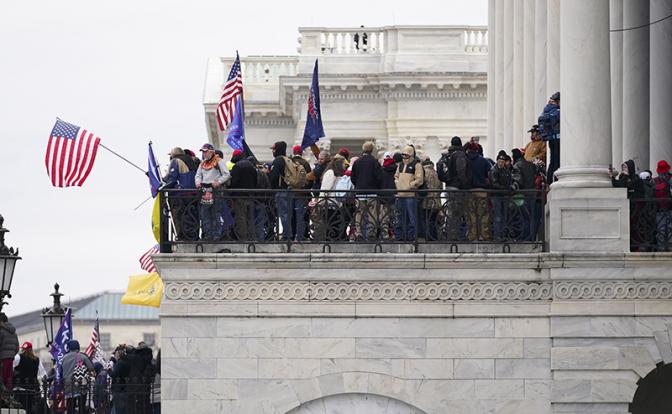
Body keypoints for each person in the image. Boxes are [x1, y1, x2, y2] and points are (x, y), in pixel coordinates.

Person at [195, 143, 231, 240]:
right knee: (204, 214)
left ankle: (216, 235)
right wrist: (198, 182)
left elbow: (227, 174)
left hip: (216, 192)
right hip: (204, 192)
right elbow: (198, 175)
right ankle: (207, 235)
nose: (204, 154)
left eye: (205, 151)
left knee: (215, 213)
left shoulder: (219, 161)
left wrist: (218, 182)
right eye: (203, 152)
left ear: (211, 151)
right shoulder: (202, 163)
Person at [163, 147, 199, 241]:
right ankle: (193, 236)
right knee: (192, 215)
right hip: (193, 193)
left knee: (180, 215)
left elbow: (172, 178)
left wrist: (163, 186)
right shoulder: (191, 160)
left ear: (173, 154)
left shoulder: (176, 161)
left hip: (180, 193)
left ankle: (183, 237)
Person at [351, 141, 383, 240]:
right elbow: (379, 177)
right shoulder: (374, 162)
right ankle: (371, 233)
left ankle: (359, 232)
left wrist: (358, 185)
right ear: (372, 150)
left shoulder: (357, 162)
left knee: (359, 212)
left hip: (360, 192)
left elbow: (353, 177)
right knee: (372, 213)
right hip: (372, 192)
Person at [312, 157, 347, 240]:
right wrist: (321, 201)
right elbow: (325, 188)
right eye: (343, 164)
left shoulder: (338, 174)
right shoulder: (330, 173)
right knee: (330, 224)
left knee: (334, 224)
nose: (344, 165)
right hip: (329, 203)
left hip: (335, 203)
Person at [394, 145, 424, 240]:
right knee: (400, 217)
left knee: (412, 218)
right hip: (400, 194)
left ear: (410, 155)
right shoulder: (400, 165)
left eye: (406, 155)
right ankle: (400, 236)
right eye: (403, 155)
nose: (404, 157)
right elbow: (396, 176)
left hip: (410, 195)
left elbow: (420, 180)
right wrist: (398, 184)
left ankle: (411, 237)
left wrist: (410, 185)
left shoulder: (417, 165)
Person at [229, 149, 259, 241]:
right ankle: (251, 239)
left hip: (239, 197)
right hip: (250, 196)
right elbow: (255, 181)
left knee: (240, 219)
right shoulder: (251, 165)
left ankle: (243, 240)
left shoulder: (237, 166)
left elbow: (234, 182)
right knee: (250, 219)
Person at [466, 142, 492, 241]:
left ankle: (473, 235)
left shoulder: (466, 160)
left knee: (471, 214)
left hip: (469, 190)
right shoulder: (483, 161)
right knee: (483, 214)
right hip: (481, 190)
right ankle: (483, 235)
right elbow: (489, 174)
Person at [60, 340, 94, 413]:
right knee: (82, 406)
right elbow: (91, 368)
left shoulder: (64, 358)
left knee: (70, 406)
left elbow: (60, 371)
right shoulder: (82, 356)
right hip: (80, 383)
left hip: (68, 384)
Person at [511, 148, 537, 241]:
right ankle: (532, 235)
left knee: (525, 217)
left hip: (523, 194)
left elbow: (518, 181)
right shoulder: (530, 164)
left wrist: (513, 188)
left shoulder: (517, 166)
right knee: (531, 216)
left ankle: (526, 236)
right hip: (533, 192)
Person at [13, 341, 42, 413]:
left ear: (23, 349)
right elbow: (42, 373)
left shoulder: (18, 357)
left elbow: (11, 367)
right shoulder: (37, 360)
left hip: (20, 388)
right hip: (32, 389)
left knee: (19, 409)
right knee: (30, 409)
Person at [490, 152, 513, 240]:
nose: (501, 163)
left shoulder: (506, 170)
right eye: (500, 161)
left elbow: (509, 180)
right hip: (497, 195)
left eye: (502, 161)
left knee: (504, 215)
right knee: (498, 216)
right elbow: (494, 183)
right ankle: (497, 235)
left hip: (504, 195)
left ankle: (503, 234)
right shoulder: (494, 170)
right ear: (497, 161)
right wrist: (504, 188)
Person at [291, 146, 312, 241]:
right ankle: (300, 237)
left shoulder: (289, 162)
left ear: (293, 152)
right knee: (301, 216)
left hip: (290, 194)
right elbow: (310, 180)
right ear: (301, 153)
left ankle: (290, 236)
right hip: (302, 194)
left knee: (291, 216)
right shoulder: (305, 163)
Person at [539, 92, 560, 184]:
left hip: (551, 139)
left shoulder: (547, 110)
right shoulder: (557, 111)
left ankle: (549, 181)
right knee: (557, 162)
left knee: (552, 161)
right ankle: (555, 181)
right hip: (557, 140)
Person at [419, 157, 442, 240]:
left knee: (426, 220)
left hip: (426, 201)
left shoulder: (423, 173)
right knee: (434, 220)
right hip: (436, 201)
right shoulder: (436, 173)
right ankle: (435, 237)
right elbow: (441, 188)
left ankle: (428, 237)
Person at [654, 160, 672, 250]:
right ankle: (663, 247)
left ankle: (665, 247)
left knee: (666, 228)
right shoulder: (656, 180)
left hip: (666, 208)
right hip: (662, 209)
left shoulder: (670, 179)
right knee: (663, 228)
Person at [0, 313, 18, 391]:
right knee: (8, 378)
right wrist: (12, 354)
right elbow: (17, 347)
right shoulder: (14, 333)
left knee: (2, 377)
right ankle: (8, 396)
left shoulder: (1, 331)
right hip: (10, 358)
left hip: (2, 358)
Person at [110, 345, 130, 414]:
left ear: (118, 353)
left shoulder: (120, 362)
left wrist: (109, 370)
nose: (114, 355)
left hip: (119, 388)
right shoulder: (127, 361)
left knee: (118, 408)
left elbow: (114, 374)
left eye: (115, 353)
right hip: (124, 387)